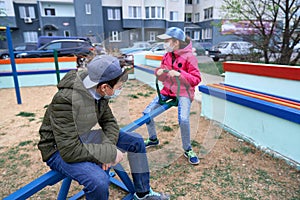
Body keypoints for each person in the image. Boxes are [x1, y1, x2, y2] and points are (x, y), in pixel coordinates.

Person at [38, 55, 170, 200]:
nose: (120, 89)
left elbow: (109, 122)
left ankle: (143, 193)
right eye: (118, 87)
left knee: (136, 141)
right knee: (98, 181)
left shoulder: (97, 89)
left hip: (82, 138)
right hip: (57, 148)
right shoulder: (65, 100)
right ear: (104, 87)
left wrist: (108, 148)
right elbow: (69, 150)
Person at [143, 27, 201, 165]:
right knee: (147, 113)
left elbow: (196, 79)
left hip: (183, 93)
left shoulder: (190, 57)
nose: (165, 44)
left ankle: (187, 149)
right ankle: (153, 139)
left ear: (176, 42)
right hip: (167, 90)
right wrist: (159, 72)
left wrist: (180, 74)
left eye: (167, 41)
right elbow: (161, 73)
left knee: (184, 119)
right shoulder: (167, 55)